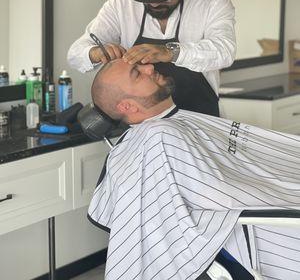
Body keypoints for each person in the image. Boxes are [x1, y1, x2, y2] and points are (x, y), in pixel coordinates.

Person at [87, 59, 300, 280]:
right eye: (137, 73)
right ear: (127, 106)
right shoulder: (159, 136)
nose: (150, 68)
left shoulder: (168, 126)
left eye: (141, 65)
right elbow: (218, 194)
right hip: (265, 228)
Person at [68, 0, 236, 117]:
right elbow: (75, 54)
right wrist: (96, 53)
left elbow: (225, 50)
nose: (154, 3)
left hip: (201, 120)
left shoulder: (212, 0)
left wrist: (169, 52)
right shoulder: (121, 2)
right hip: (147, 129)